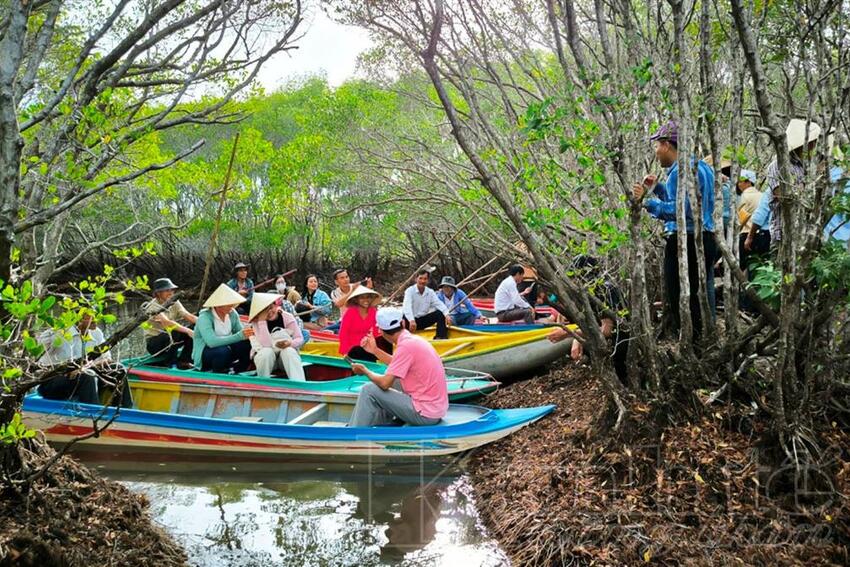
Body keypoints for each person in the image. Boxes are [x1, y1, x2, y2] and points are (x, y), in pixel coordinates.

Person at [632, 120, 717, 336]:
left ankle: (693, 343)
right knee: (701, 294)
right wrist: (657, 188)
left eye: (657, 146)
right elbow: (686, 202)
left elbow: (681, 211)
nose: (656, 152)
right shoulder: (702, 167)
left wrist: (646, 202)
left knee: (682, 296)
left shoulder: (682, 171)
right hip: (705, 238)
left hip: (686, 241)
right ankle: (706, 339)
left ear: (667, 145)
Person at [348, 307, 448, 427]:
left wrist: (365, 371)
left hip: (425, 414)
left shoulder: (405, 346)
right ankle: (381, 423)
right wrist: (375, 351)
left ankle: (355, 431)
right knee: (388, 380)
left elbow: (385, 383)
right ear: (403, 323)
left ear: (381, 331)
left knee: (368, 389)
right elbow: (397, 364)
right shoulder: (412, 340)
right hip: (435, 409)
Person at [746, 118, 825, 254]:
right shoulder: (778, 165)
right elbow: (783, 197)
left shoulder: (805, 167)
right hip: (783, 234)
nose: (814, 145)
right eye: (812, 141)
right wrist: (810, 181)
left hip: (804, 233)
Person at [547, 256, 629, 383]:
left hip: (620, 342)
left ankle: (621, 380)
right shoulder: (594, 291)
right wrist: (576, 339)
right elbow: (591, 324)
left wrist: (568, 333)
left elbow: (607, 331)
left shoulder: (604, 290)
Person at [37, 312, 133, 408]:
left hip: (83, 375)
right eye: (91, 316)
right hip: (53, 383)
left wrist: (85, 367)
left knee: (118, 369)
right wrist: (69, 370)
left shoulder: (96, 333)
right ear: (79, 318)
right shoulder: (57, 333)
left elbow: (106, 359)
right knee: (87, 375)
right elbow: (39, 363)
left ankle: (125, 409)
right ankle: (93, 412)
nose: (96, 319)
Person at [192, 283, 254, 373]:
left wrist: (248, 334)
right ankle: (218, 372)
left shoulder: (232, 313)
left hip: (226, 349)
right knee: (223, 351)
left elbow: (241, 333)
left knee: (245, 344)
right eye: (228, 304)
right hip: (206, 353)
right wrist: (239, 336)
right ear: (219, 306)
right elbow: (211, 342)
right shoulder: (205, 317)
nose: (232, 306)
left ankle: (240, 369)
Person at [247, 293, 305, 380]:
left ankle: (299, 383)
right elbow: (266, 345)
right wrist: (262, 321)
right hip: (266, 359)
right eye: (265, 310)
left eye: (271, 308)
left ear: (276, 305)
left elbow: (299, 338)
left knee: (289, 351)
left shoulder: (287, 317)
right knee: (266, 352)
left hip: (283, 359)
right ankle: (263, 383)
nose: (269, 312)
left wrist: (290, 343)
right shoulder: (256, 322)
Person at [143, 277, 196, 369]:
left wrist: (206, 324)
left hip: (171, 340)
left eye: (172, 290)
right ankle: (171, 363)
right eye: (167, 290)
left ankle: (185, 360)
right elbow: (167, 323)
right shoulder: (152, 306)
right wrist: (188, 331)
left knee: (195, 327)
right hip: (155, 345)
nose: (171, 293)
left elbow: (188, 316)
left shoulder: (174, 301)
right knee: (175, 331)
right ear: (158, 293)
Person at [338, 285, 384, 362]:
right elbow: (343, 333)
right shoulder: (351, 312)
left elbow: (376, 331)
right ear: (356, 300)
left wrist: (375, 348)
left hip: (367, 346)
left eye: (368, 297)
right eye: (362, 298)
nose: (366, 300)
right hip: (352, 348)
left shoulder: (373, 311)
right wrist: (345, 351)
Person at [402, 270, 451, 339]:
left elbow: (439, 304)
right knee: (402, 318)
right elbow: (407, 307)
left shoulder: (430, 292)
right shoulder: (409, 291)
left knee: (440, 313)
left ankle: (440, 337)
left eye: (425, 279)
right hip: (409, 321)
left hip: (422, 321)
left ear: (428, 280)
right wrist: (411, 320)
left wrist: (447, 314)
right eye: (420, 278)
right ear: (416, 279)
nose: (422, 281)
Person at [734, 169, 762, 275]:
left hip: (746, 234)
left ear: (749, 182)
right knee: (756, 266)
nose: (739, 184)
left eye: (741, 182)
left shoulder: (744, 196)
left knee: (741, 265)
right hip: (760, 234)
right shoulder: (761, 195)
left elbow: (740, 218)